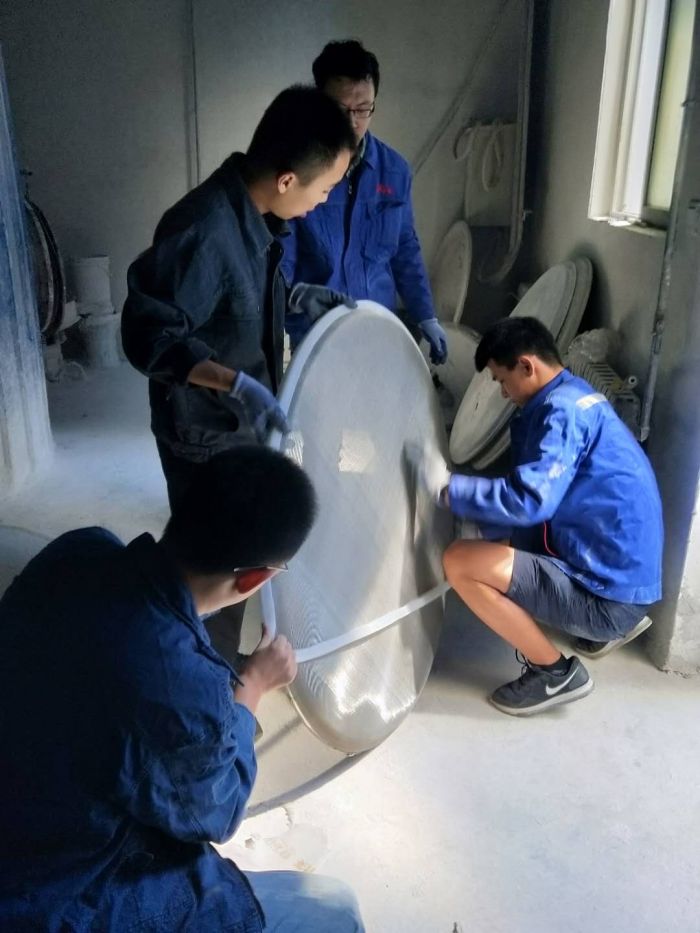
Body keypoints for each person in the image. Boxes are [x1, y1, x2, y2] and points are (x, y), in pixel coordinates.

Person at [0, 445, 365, 931]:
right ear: (254, 578)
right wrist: (253, 685)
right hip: (53, 891)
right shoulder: (184, 687)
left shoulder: (77, 552)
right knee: (336, 909)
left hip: (23, 809)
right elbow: (215, 811)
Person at [121, 85, 356, 662]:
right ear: (287, 180)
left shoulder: (255, 218)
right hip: (204, 436)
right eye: (324, 189)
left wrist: (296, 298)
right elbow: (149, 335)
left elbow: (233, 303)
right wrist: (235, 383)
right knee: (215, 572)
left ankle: (216, 667)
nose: (323, 201)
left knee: (237, 560)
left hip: (237, 429)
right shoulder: (202, 230)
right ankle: (209, 682)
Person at [413, 317, 663, 716]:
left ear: (527, 365)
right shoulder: (575, 394)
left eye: (502, 379)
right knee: (500, 544)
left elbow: (531, 501)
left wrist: (449, 489)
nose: (502, 392)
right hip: (626, 578)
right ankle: (607, 626)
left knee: (460, 561)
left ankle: (554, 673)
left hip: (609, 598)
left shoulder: (561, 413)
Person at [281, 40, 448, 364]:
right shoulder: (298, 171)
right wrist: (291, 298)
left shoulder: (394, 170)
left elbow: (405, 250)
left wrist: (425, 314)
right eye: (341, 109)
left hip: (377, 328)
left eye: (363, 109)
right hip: (316, 333)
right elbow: (281, 258)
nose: (353, 122)